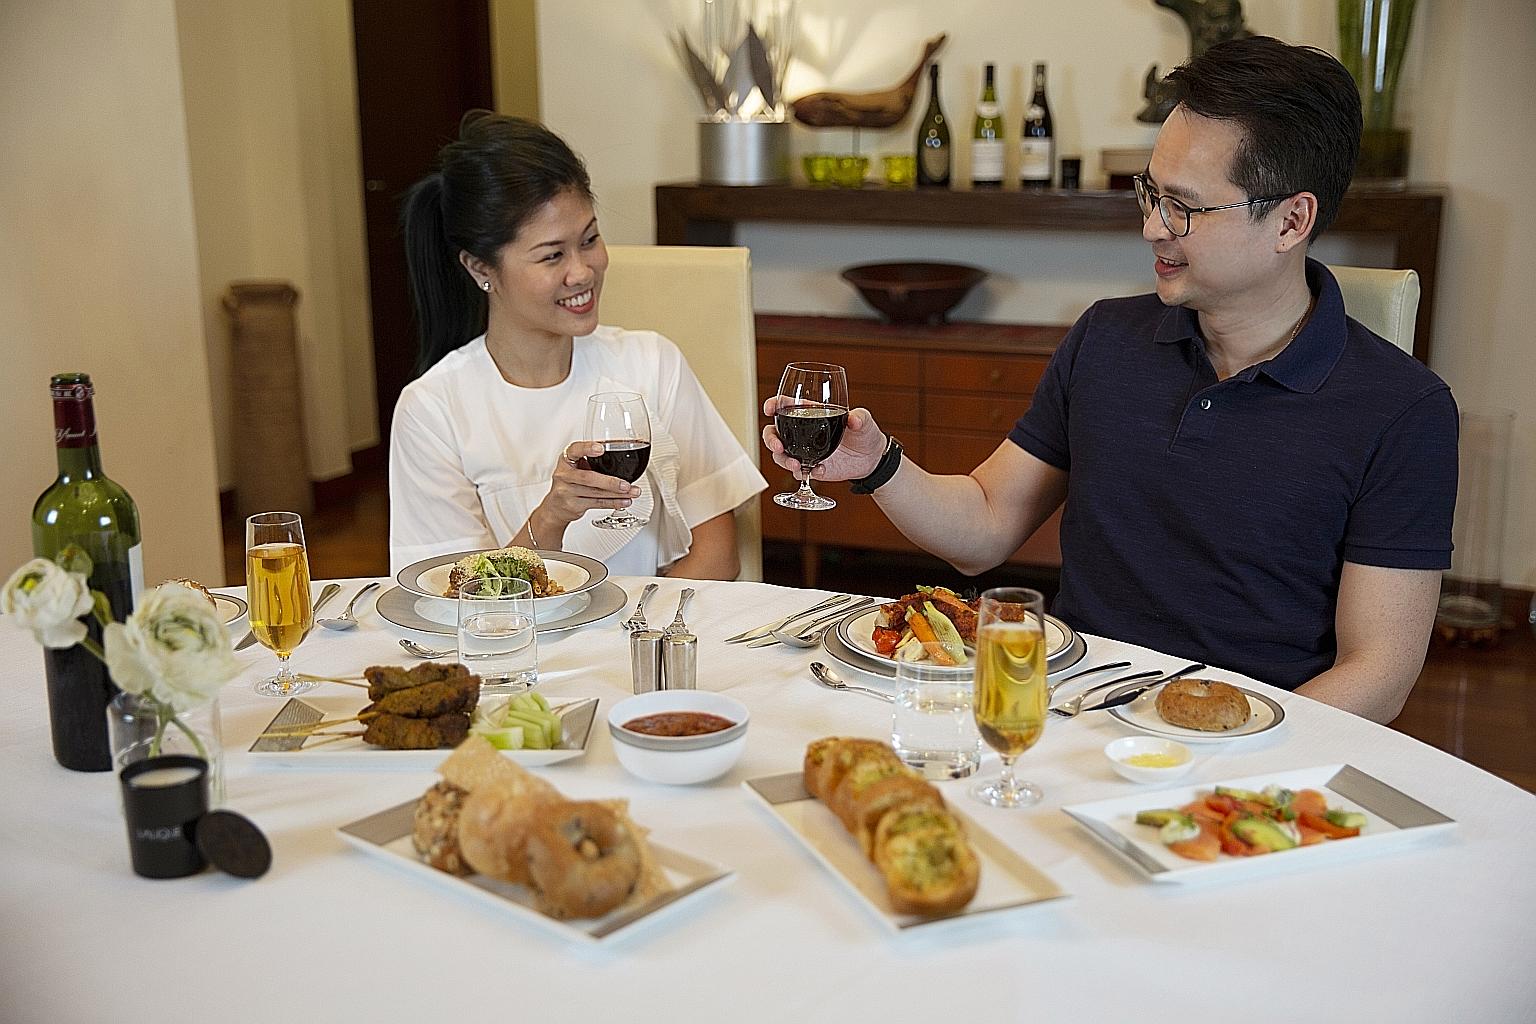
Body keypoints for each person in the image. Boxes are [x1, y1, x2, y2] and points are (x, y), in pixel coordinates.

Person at [764, 37, 1458, 724]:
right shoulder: (1106, 338)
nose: (1153, 227)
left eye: (1183, 207)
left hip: (1247, 753)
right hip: (1072, 718)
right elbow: (983, 527)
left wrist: (1228, 755)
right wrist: (877, 464)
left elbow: (1379, 673)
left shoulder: (1403, 410)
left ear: (1291, 220)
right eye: (1150, 193)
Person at [391, 113, 765, 579]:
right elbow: (453, 600)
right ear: (480, 268)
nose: (583, 272)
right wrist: (552, 516)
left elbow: (717, 554)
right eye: (552, 255)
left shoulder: (651, 363)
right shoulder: (432, 410)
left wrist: (636, 642)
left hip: (649, 639)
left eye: (589, 240)